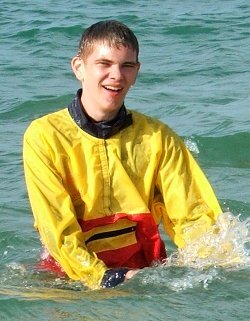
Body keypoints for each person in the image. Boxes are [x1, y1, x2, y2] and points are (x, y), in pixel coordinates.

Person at [23, 20, 222, 290]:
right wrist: (102, 276)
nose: (117, 75)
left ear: (137, 71)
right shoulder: (44, 136)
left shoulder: (158, 137)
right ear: (79, 67)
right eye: (104, 64)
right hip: (69, 279)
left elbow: (194, 215)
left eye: (127, 65)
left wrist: (216, 264)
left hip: (142, 278)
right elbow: (56, 228)